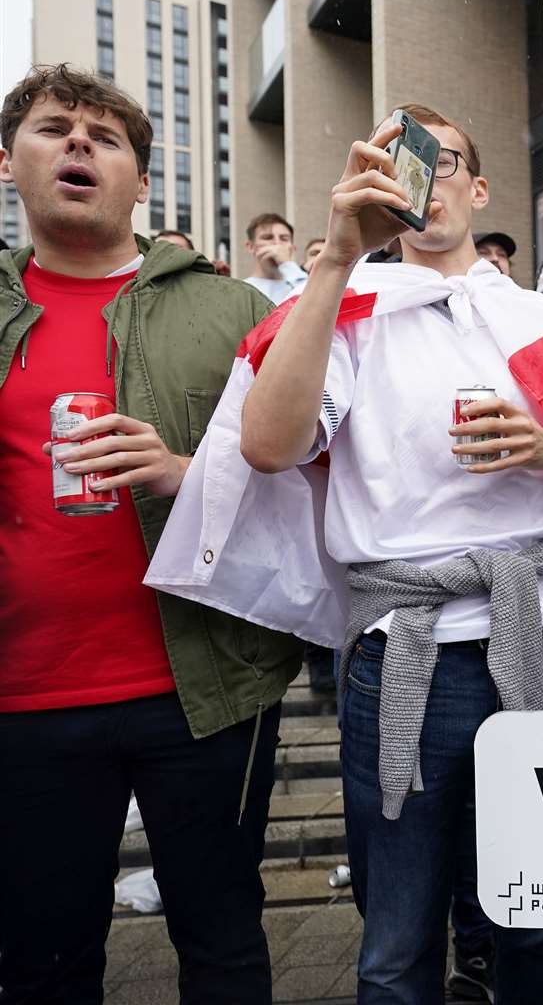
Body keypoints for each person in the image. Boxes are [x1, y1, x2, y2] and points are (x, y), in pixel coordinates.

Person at [168, 102, 543, 1002]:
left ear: (479, 185)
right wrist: (338, 256)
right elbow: (267, 446)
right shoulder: (339, 313)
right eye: (394, 160)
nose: (423, 177)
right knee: (396, 934)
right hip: (401, 643)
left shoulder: (541, 321)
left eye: (442, 159)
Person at [0, 63, 302, 1001]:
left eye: (108, 137)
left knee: (222, 948)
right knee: (44, 965)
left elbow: (306, 483)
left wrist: (185, 472)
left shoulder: (236, 309)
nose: (79, 145)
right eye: (53, 129)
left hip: (207, 687)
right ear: (9, 163)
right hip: (26, 697)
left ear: (142, 178)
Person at [242, 211, 307, 303]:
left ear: (292, 248)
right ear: (251, 247)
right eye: (267, 237)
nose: (277, 243)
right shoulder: (242, 289)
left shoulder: (299, 283)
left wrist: (287, 264)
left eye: (284, 239)